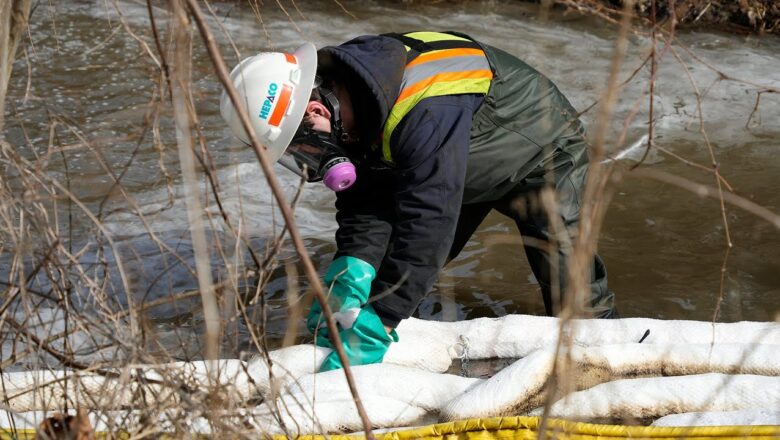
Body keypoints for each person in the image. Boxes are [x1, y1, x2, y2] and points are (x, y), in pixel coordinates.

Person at [220, 31, 618, 372]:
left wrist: (381, 319)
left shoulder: (423, 109)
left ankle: (611, 362)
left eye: (303, 145)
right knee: (386, 269)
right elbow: (368, 193)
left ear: (316, 109)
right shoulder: (356, 96)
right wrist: (352, 267)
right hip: (451, 158)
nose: (311, 159)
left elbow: (429, 220)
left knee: (569, 278)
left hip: (537, 146)